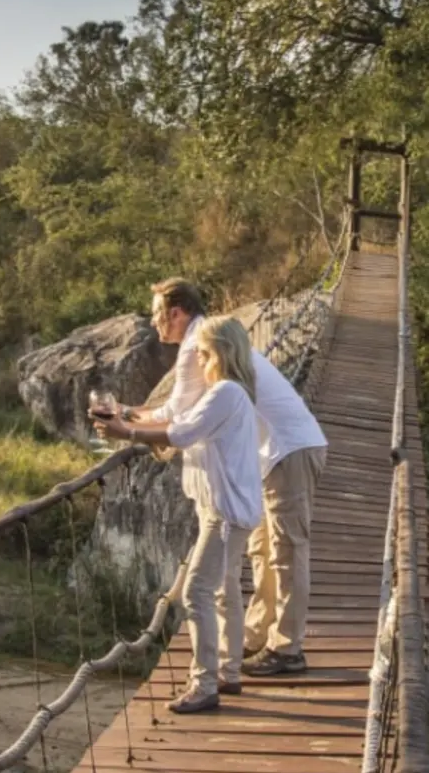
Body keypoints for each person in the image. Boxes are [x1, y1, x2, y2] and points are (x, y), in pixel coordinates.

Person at [138, 278, 328, 676]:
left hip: (288, 448)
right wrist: (129, 417)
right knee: (262, 550)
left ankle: (288, 648)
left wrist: (127, 422)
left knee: (287, 551)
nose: (155, 324)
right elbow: (184, 412)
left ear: (176, 312)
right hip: (270, 454)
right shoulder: (208, 336)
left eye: (157, 315)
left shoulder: (199, 343)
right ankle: (258, 636)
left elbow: (179, 414)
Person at [95, 317, 264, 713]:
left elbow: (181, 434)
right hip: (228, 511)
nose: (199, 360)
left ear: (220, 353)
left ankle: (204, 686)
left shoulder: (225, 393)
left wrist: (125, 433)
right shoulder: (230, 393)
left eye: (203, 353)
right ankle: (229, 671)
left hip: (223, 515)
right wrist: (128, 420)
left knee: (196, 592)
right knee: (223, 590)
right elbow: (181, 422)